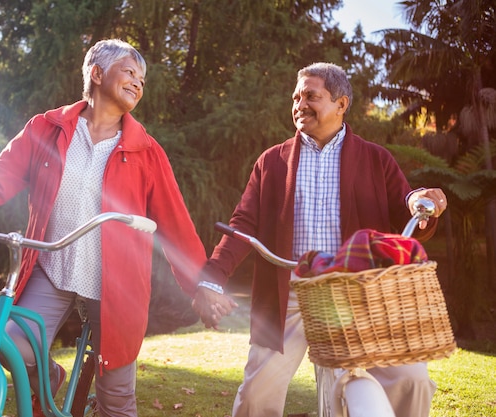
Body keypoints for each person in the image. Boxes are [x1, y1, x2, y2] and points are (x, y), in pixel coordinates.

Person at [0, 38, 227, 417]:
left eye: (142, 79)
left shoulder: (146, 151)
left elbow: (176, 224)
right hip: (52, 267)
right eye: (129, 72)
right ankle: (51, 379)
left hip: (115, 285)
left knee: (115, 398)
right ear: (97, 74)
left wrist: (200, 284)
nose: (137, 83)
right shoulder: (48, 128)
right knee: (15, 348)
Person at [192, 62, 448, 417]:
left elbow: (406, 207)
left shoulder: (377, 158)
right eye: (296, 97)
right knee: (255, 398)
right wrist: (212, 277)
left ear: (341, 104)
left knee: (412, 381)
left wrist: (424, 204)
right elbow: (243, 224)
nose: (300, 104)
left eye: (311, 96)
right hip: (290, 294)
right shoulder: (272, 161)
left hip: (358, 294)